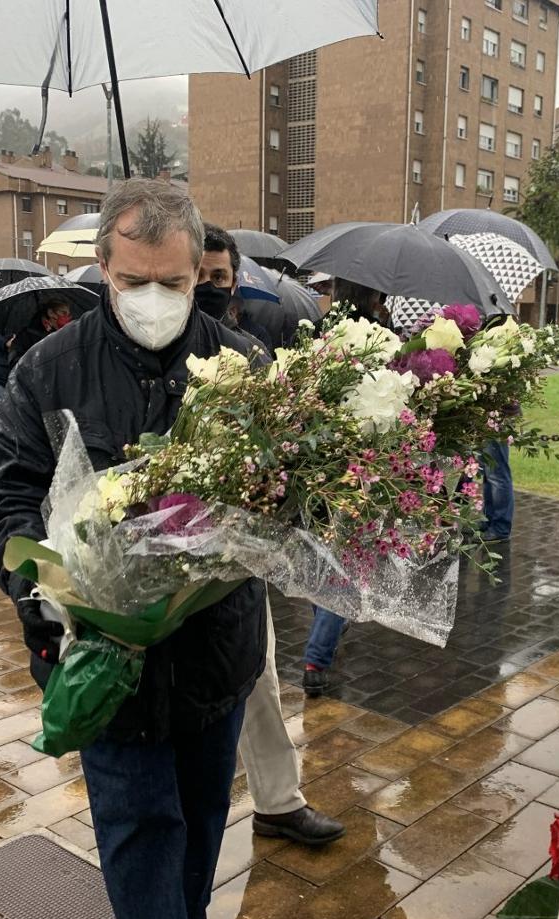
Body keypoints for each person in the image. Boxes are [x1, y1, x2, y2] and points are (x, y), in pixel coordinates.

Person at [0, 179, 269, 919]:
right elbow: (7, 500)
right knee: (138, 839)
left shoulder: (244, 369)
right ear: (103, 266)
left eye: (173, 282)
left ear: (200, 270)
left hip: (213, 659)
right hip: (99, 661)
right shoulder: (47, 370)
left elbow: (282, 502)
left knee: (201, 831)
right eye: (133, 281)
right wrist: (52, 589)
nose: (153, 297)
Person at [196, 227, 345, 847]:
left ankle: (278, 802)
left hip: (238, 554)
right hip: (154, 561)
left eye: (217, 280)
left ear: (235, 284)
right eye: (193, 278)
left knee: (259, 675)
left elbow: (280, 456)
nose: (205, 291)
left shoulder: (252, 356)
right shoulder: (136, 352)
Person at [301, 278, 389, 697]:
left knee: (324, 555)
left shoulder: (321, 332)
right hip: (362, 467)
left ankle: (325, 628)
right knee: (347, 565)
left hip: (317, 464)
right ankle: (318, 656)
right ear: (373, 296)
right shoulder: (381, 339)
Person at [8, 298, 73, 362]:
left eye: (68, 315)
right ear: (50, 313)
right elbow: (14, 360)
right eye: (64, 313)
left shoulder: (63, 333)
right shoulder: (26, 334)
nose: (66, 318)